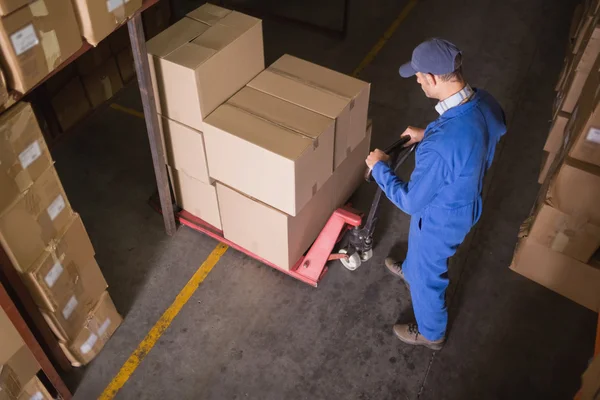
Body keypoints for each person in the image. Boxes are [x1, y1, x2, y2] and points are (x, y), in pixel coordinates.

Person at [365, 38, 506, 350]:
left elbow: (411, 201)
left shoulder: (441, 147)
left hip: (441, 217)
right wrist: (427, 132)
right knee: (420, 252)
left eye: (417, 75)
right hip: (464, 195)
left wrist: (379, 169)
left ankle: (431, 333)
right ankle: (413, 270)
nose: (416, 79)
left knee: (430, 279)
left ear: (430, 78)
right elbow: (473, 132)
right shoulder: (485, 101)